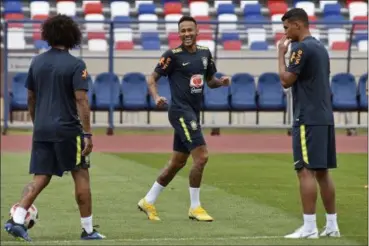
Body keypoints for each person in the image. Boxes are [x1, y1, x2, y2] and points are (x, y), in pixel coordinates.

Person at [4, 14, 105, 241]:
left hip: (42, 128)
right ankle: (88, 230)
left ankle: (17, 219)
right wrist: (87, 133)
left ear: (48, 35)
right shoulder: (76, 64)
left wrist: (37, 121)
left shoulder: (36, 62)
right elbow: (81, 101)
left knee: (41, 177)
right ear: (72, 36)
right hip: (68, 129)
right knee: (80, 175)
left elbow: (31, 97)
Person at [137, 16, 231, 222]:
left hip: (193, 112)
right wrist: (156, 97)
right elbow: (152, 77)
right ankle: (195, 207)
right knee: (202, 156)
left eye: (190, 30)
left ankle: (148, 200)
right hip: (180, 111)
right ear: (178, 34)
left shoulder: (205, 53)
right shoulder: (172, 55)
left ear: (197, 31)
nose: (187, 34)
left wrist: (221, 82)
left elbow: (210, 81)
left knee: (177, 162)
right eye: (183, 31)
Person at [277, 8, 340, 239]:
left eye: (286, 28)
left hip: (307, 118)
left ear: (297, 25)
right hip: (324, 117)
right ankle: (332, 225)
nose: (285, 34)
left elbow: (286, 80)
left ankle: (310, 227)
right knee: (322, 172)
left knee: (305, 171)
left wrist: (280, 54)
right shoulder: (320, 47)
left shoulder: (301, 47)